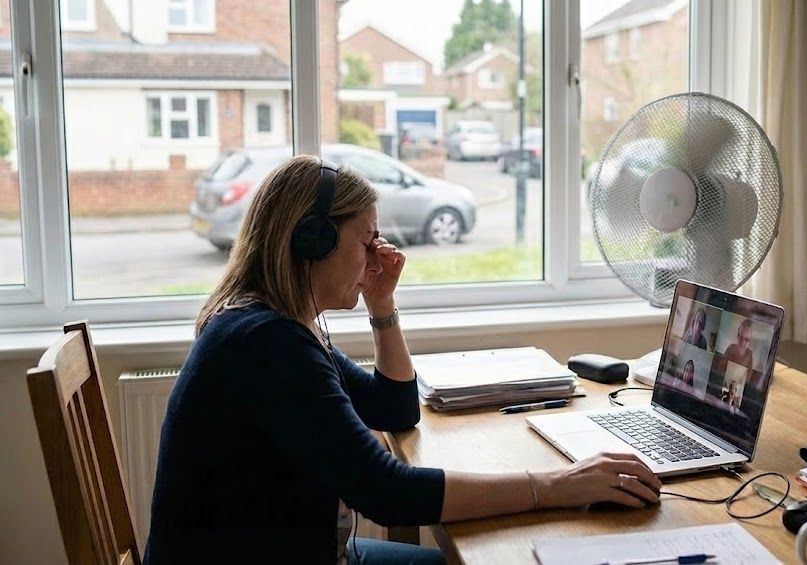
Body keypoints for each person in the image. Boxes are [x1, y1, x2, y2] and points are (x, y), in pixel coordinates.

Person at [143, 155, 661, 565]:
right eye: (366, 241)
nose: (378, 256)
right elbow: (386, 493)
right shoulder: (266, 344)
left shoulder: (274, 322)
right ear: (312, 241)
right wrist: (557, 486)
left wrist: (382, 303)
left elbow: (393, 408)